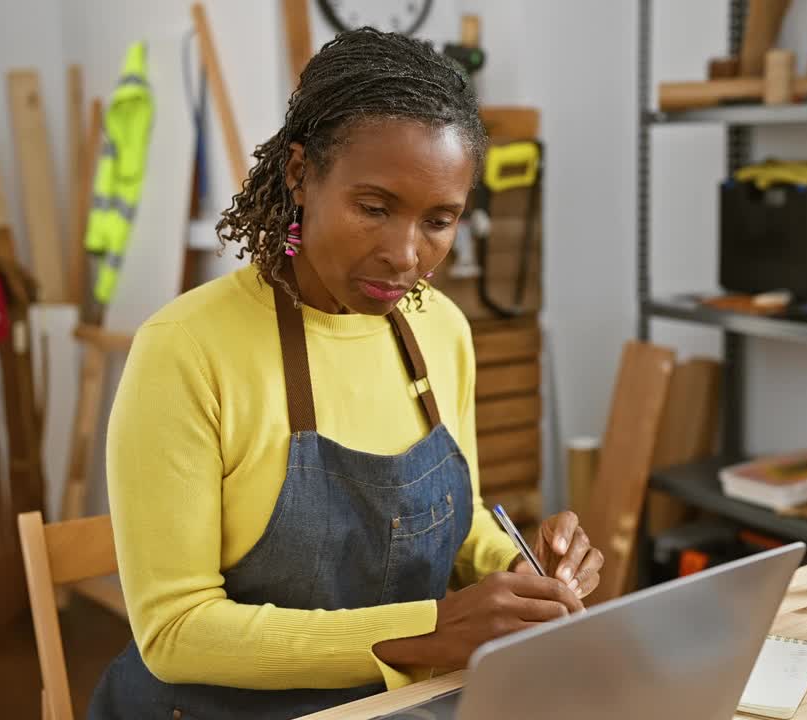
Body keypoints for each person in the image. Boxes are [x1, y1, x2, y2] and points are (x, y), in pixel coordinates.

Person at [87, 27, 604, 720]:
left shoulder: (441, 330)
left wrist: (517, 570)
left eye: (440, 221)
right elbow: (174, 634)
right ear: (300, 173)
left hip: (403, 699)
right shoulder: (185, 352)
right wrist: (428, 631)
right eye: (374, 208)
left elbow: (465, 526)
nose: (406, 255)